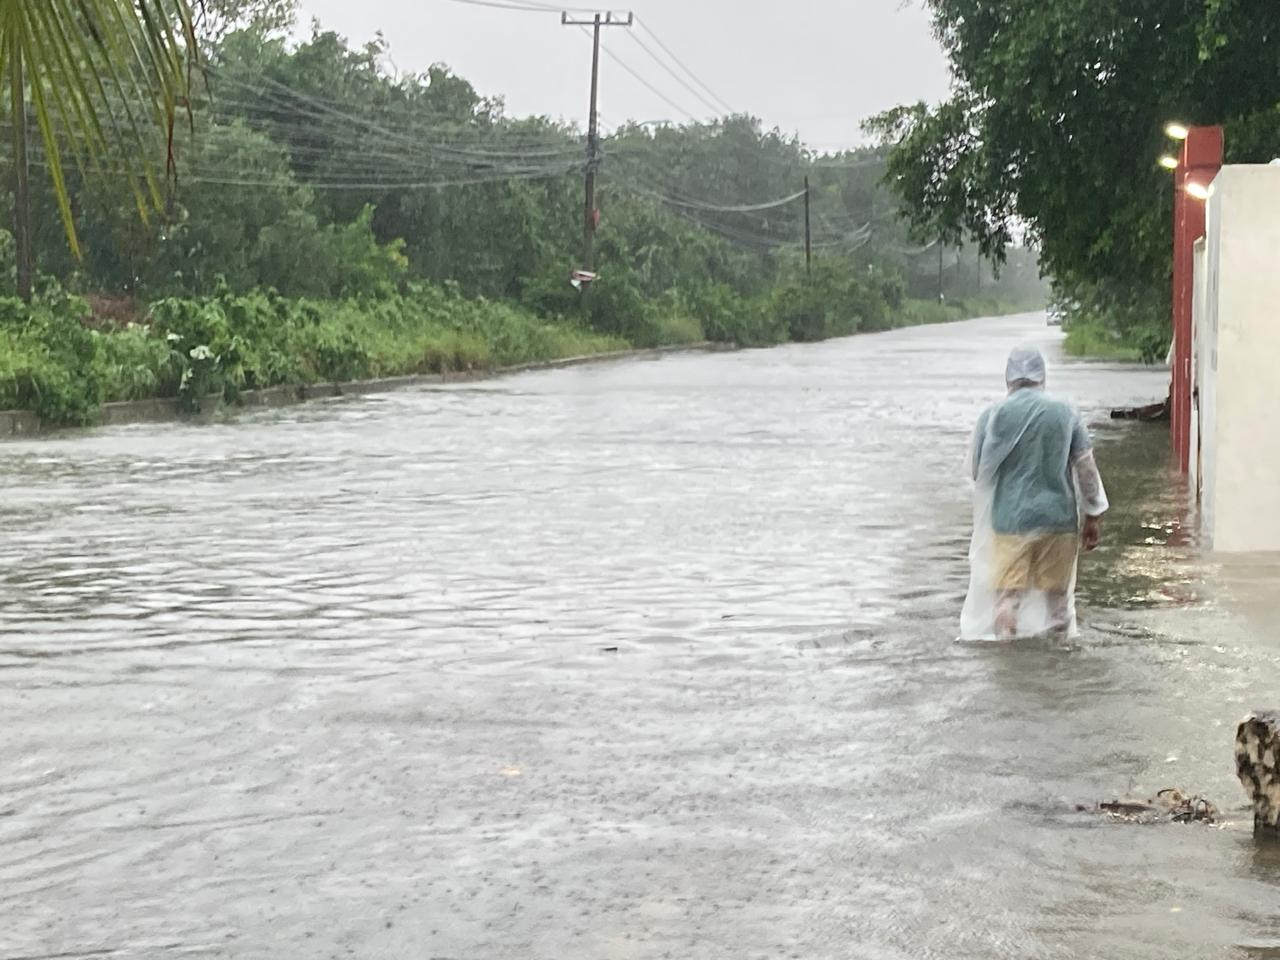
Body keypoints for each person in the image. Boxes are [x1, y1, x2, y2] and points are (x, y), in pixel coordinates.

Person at [959, 346, 1109, 640]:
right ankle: (1059, 667)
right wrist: (1093, 516)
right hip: (1058, 521)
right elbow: (1086, 468)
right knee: (1058, 604)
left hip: (1009, 524)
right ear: (1042, 375)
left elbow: (978, 471)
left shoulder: (992, 416)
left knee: (1007, 601)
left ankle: (1010, 665)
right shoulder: (1065, 413)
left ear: (1008, 378)